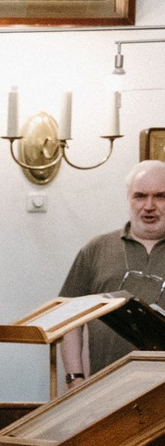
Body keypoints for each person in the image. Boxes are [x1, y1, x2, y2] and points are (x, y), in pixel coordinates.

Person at [60, 160, 165, 385]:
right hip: (107, 388)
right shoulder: (97, 249)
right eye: (140, 196)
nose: (149, 206)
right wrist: (75, 379)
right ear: (128, 199)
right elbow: (68, 318)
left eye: (160, 196)